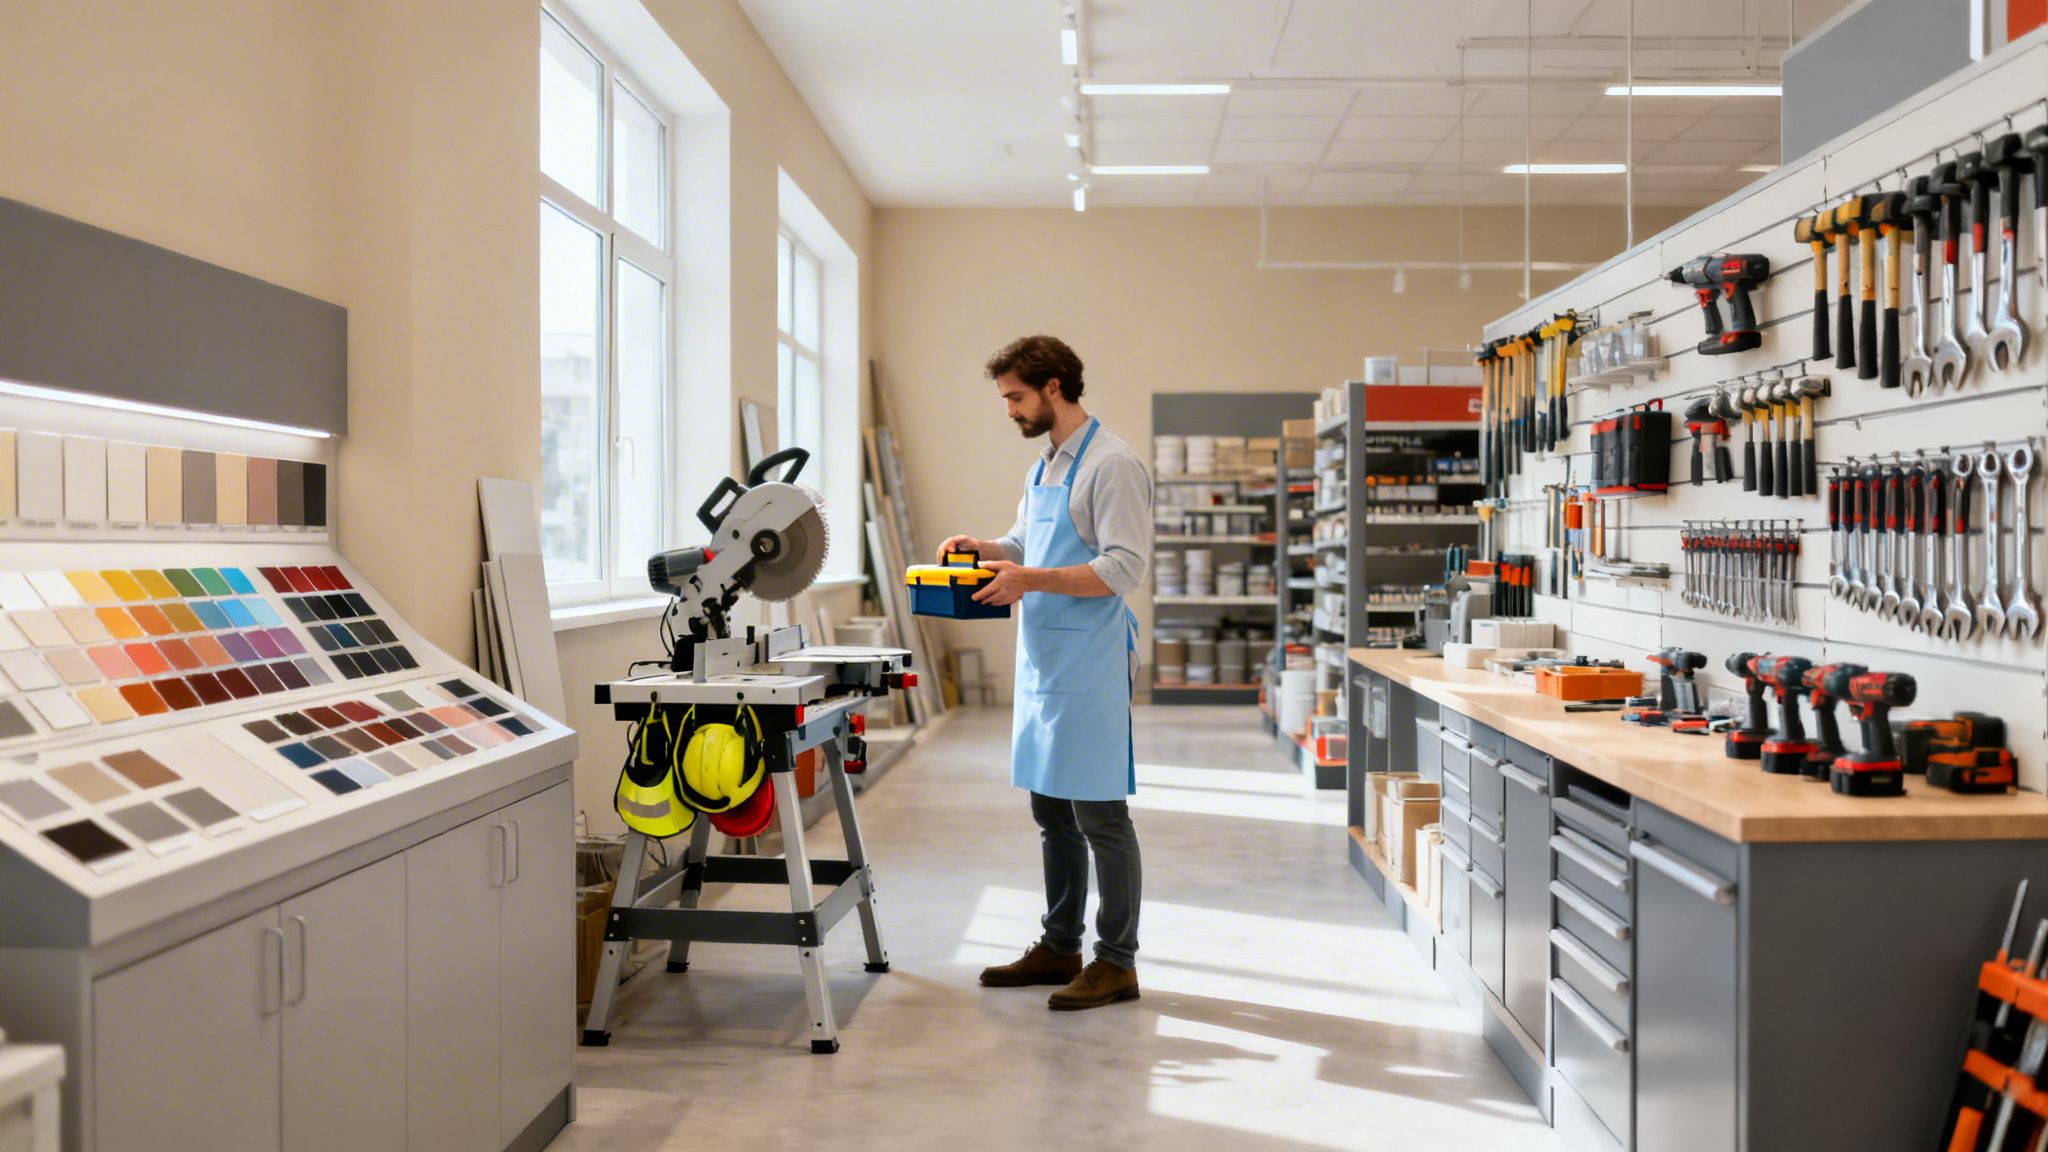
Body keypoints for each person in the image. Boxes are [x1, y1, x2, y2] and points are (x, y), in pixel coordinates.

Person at [939, 334, 1152, 1011]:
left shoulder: (1112, 465)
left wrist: (1026, 577)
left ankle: (1116, 961)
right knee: (1050, 812)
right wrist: (988, 547)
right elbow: (1028, 542)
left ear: (1053, 387)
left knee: (1100, 816)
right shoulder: (1047, 465)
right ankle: (1059, 943)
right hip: (1045, 660)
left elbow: (1124, 568)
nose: (1009, 410)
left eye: (1016, 397)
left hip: (1088, 662)